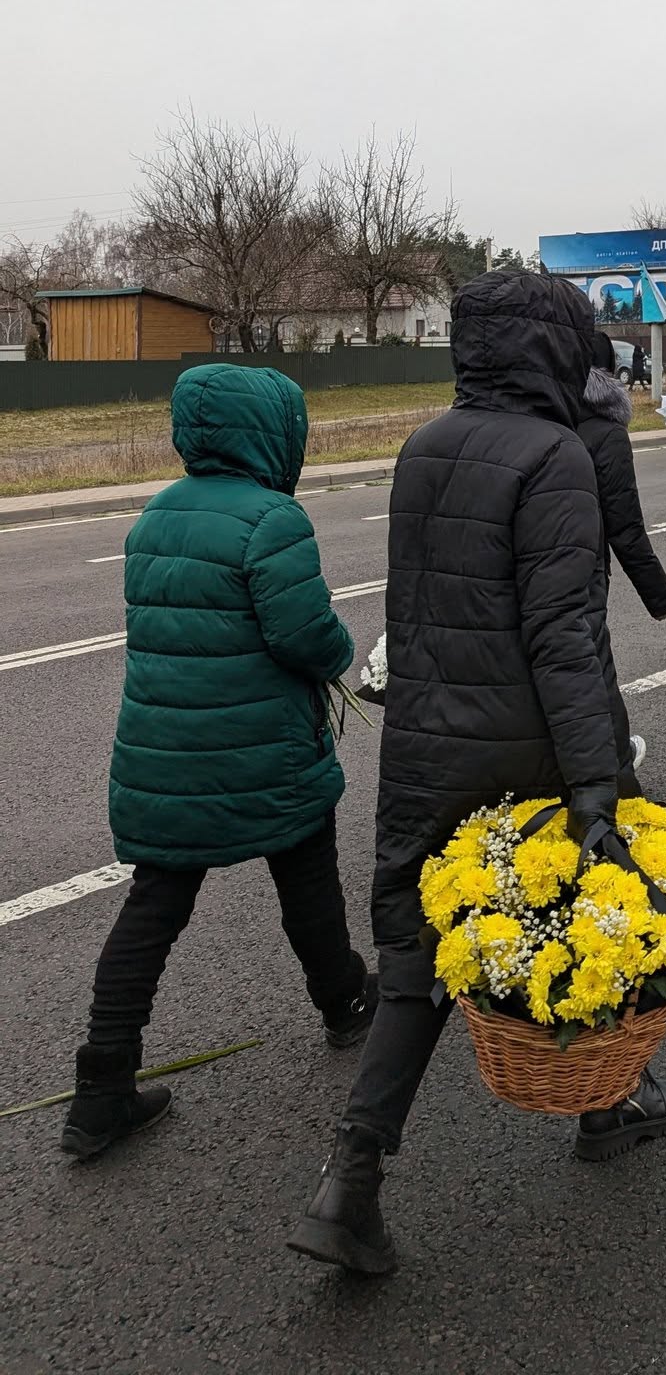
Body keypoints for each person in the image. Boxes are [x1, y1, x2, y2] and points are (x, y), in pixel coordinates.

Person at [290, 273, 666, 1278]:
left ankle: (354, 1175)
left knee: (421, 950)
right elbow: (563, 633)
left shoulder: (423, 445)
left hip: (426, 738)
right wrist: (597, 780)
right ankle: (608, 1099)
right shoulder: (555, 456)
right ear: (554, 349)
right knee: (592, 911)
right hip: (528, 741)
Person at [62, 365, 374, 1163]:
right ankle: (344, 1002)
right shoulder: (274, 518)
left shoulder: (154, 513)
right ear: (273, 431)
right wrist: (347, 658)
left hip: (165, 754)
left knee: (153, 910)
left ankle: (100, 1089)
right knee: (307, 886)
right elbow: (305, 636)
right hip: (264, 752)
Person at [577, 330, 666, 781]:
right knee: (594, 668)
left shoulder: (546, 418)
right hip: (582, 571)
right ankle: (616, 770)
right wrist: (658, 596)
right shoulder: (607, 433)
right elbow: (624, 523)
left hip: (526, 568)